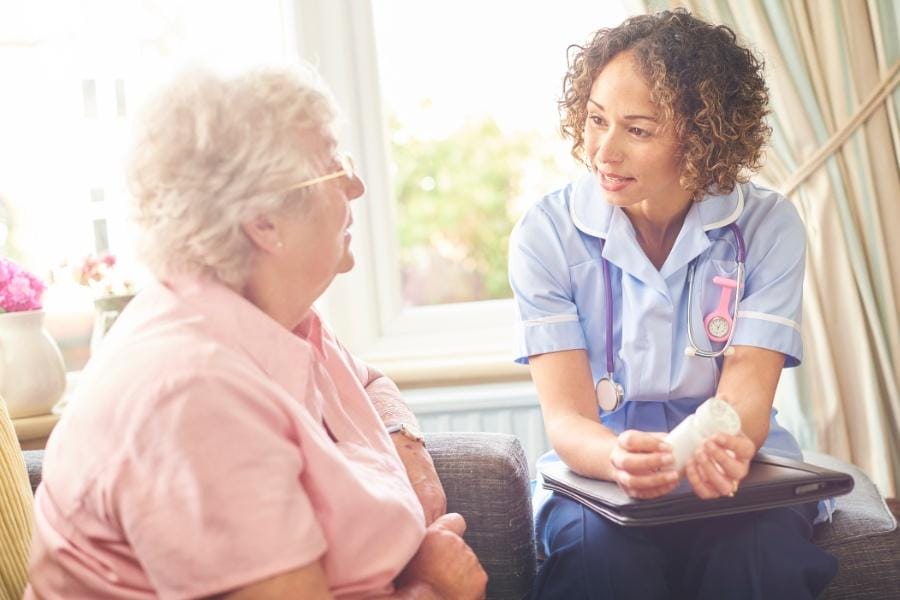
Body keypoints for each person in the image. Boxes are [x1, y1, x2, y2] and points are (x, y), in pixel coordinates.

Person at [27, 64, 487, 599]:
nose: (356, 184)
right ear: (264, 222)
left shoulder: (270, 313)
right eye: (332, 166)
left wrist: (410, 455)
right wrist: (433, 584)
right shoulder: (193, 397)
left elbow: (367, 385)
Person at [508, 9, 838, 599]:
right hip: (601, 464)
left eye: (637, 130)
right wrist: (619, 460)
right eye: (595, 120)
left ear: (702, 136)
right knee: (598, 562)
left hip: (726, 456)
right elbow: (568, 420)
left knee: (757, 559)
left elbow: (746, 395)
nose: (603, 152)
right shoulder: (546, 234)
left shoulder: (766, 226)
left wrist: (725, 443)